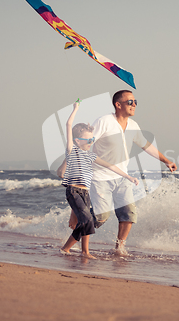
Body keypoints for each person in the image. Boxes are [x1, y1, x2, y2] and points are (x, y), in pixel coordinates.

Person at [89, 90, 177, 255]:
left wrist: (166, 161)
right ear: (118, 104)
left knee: (128, 213)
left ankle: (119, 248)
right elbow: (86, 143)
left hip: (123, 177)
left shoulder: (133, 126)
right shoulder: (104, 121)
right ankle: (76, 231)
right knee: (101, 218)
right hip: (101, 177)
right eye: (130, 102)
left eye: (135, 101)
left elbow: (146, 146)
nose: (134, 104)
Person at [58, 101, 139, 259]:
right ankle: (72, 249)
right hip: (73, 191)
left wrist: (128, 176)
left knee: (87, 221)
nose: (90, 143)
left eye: (91, 140)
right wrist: (75, 109)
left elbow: (110, 166)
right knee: (88, 219)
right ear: (77, 141)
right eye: (88, 140)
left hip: (85, 192)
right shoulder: (72, 151)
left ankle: (80, 251)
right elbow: (68, 125)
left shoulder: (91, 155)